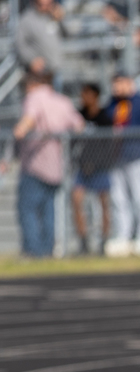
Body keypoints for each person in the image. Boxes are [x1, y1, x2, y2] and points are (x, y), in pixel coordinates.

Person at [12, 71, 84, 257]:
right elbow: (79, 125)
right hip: (57, 165)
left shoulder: (34, 98)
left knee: (27, 209)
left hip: (35, 164)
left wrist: (18, 134)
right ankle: (47, 248)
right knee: (48, 209)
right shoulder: (63, 101)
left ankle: (33, 251)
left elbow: (28, 120)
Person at [105, 74, 140, 257]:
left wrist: (124, 133)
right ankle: (123, 235)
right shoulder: (113, 104)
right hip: (117, 157)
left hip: (138, 156)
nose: (117, 89)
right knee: (118, 198)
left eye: (120, 84)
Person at [71, 82, 114, 254]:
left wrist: (97, 163)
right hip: (83, 167)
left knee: (103, 203)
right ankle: (83, 239)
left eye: (87, 94)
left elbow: (109, 145)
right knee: (76, 200)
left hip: (100, 167)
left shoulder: (104, 117)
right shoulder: (79, 115)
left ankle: (104, 240)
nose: (83, 98)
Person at [14, 0, 63, 77]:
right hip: (38, 73)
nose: (48, 0)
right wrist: (31, 59)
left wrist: (61, 20)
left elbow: (68, 33)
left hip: (55, 69)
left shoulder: (52, 16)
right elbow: (20, 43)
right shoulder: (27, 19)